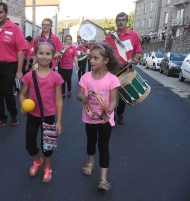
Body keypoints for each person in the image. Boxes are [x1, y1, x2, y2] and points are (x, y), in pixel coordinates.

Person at [77, 43, 120, 191]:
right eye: (91, 58)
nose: (92, 61)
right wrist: (82, 97)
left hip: (105, 119)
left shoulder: (112, 79)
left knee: (103, 146)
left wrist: (108, 111)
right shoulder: (86, 77)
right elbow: (79, 94)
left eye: (95, 58)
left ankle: (103, 178)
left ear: (106, 60)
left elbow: (114, 100)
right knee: (91, 141)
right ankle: (90, 162)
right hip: (90, 117)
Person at [19, 40, 63, 183]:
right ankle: (38, 161)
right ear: (35, 55)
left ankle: (47, 167)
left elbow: (58, 100)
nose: (44, 56)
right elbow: (22, 94)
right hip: (32, 115)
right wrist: (23, 106)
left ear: (53, 56)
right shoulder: (29, 76)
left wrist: (59, 121)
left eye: (48, 54)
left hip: (49, 116)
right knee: (29, 145)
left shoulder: (56, 77)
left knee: (48, 146)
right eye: (41, 53)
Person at [104, 12, 142, 125]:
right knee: (112, 92)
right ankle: (112, 112)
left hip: (126, 67)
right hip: (113, 68)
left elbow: (137, 52)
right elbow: (104, 52)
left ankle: (120, 113)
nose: (121, 22)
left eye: (123, 20)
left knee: (124, 93)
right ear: (116, 22)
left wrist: (136, 58)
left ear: (126, 22)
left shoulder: (133, 35)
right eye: (119, 20)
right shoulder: (110, 37)